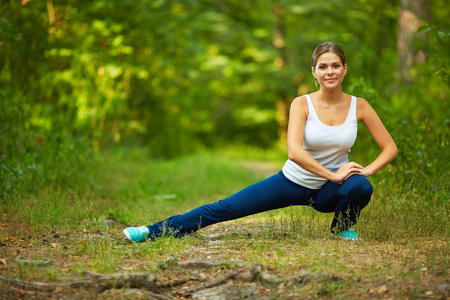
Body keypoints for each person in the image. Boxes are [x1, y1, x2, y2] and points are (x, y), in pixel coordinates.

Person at [123, 42, 398, 242]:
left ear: (345, 69)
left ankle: (342, 229)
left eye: (335, 65)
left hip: (330, 190)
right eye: (323, 66)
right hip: (292, 183)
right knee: (226, 208)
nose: (330, 71)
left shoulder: (359, 106)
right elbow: (294, 152)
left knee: (361, 186)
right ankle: (152, 231)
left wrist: (366, 169)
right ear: (313, 72)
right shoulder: (301, 104)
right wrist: (332, 174)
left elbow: (390, 148)